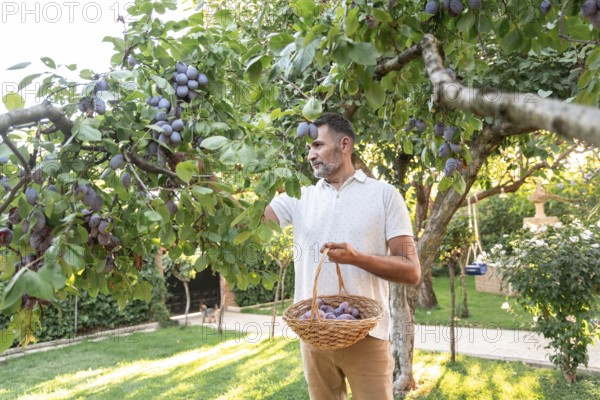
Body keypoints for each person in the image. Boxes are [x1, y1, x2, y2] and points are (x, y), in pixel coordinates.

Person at [262, 112, 421, 400]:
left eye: (317, 145)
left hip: (367, 336)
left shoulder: (385, 195)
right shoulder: (299, 196)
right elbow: (251, 223)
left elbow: (411, 270)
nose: (310, 155)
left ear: (344, 145)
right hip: (314, 336)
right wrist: (208, 182)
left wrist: (357, 257)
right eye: (309, 148)